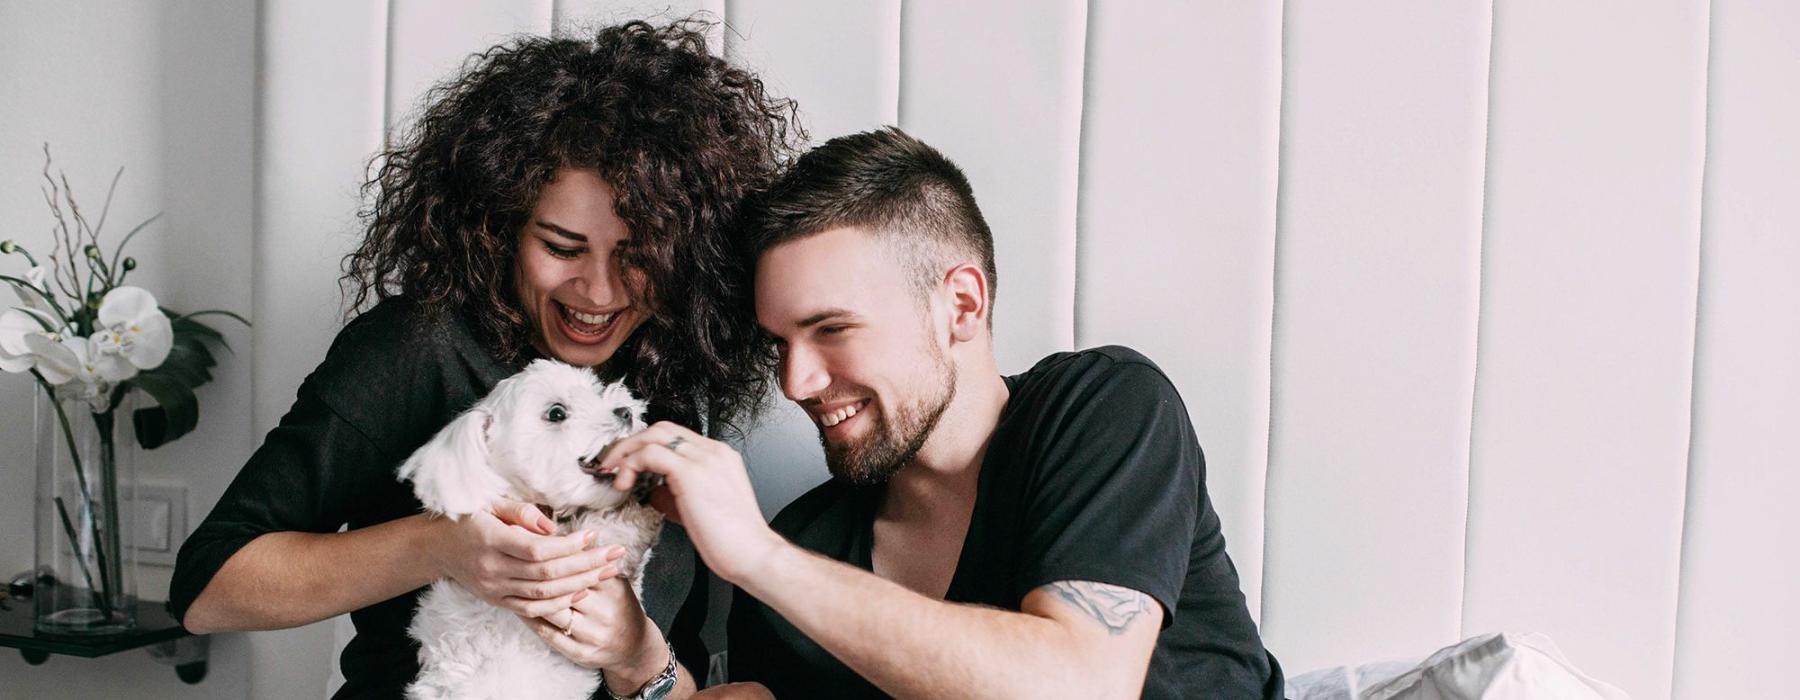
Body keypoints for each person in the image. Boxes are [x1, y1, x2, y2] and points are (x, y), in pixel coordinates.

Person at [169, 20, 798, 699]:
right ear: (499, 225)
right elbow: (209, 588)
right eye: (561, 247)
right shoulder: (422, 347)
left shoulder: (669, 381)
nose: (599, 292)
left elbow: (682, 675)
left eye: (640, 257)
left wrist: (638, 654)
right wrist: (441, 547)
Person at [596, 127, 1285, 698]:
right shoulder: (806, 544)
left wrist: (755, 555)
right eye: (780, 342)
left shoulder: (1103, 407)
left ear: (962, 304)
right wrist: (638, 660)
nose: (795, 380)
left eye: (832, 328)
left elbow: (1082, 683)